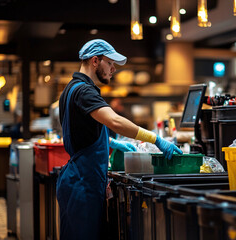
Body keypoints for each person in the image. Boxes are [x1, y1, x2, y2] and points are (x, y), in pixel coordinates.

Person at [56, 39, 182, 240]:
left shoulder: (71, 88)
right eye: (110, 63)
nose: (113, 69)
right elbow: (114, 121)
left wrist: (111, 143)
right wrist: (155, 139)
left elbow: (79, 130)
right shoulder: (85, 91)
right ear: (95, 61)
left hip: (77, 178)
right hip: (82, 182)